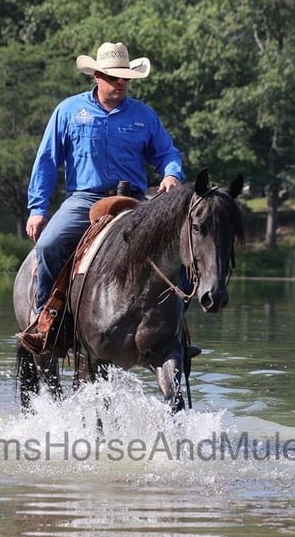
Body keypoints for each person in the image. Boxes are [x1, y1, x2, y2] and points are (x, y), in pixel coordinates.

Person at [16, 42, 185, 354]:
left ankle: (176, 331)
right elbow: (47, 161)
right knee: (50, 245)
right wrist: (38, 208)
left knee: (179, 249)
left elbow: (167, 153)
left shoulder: (143, 116)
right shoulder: (68, 111)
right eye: (113, 77)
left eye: (125, 78)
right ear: (96, 75)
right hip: (84, 200)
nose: (121, 83)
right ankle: (45, 323)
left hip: (134, 199)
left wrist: (172, 173)